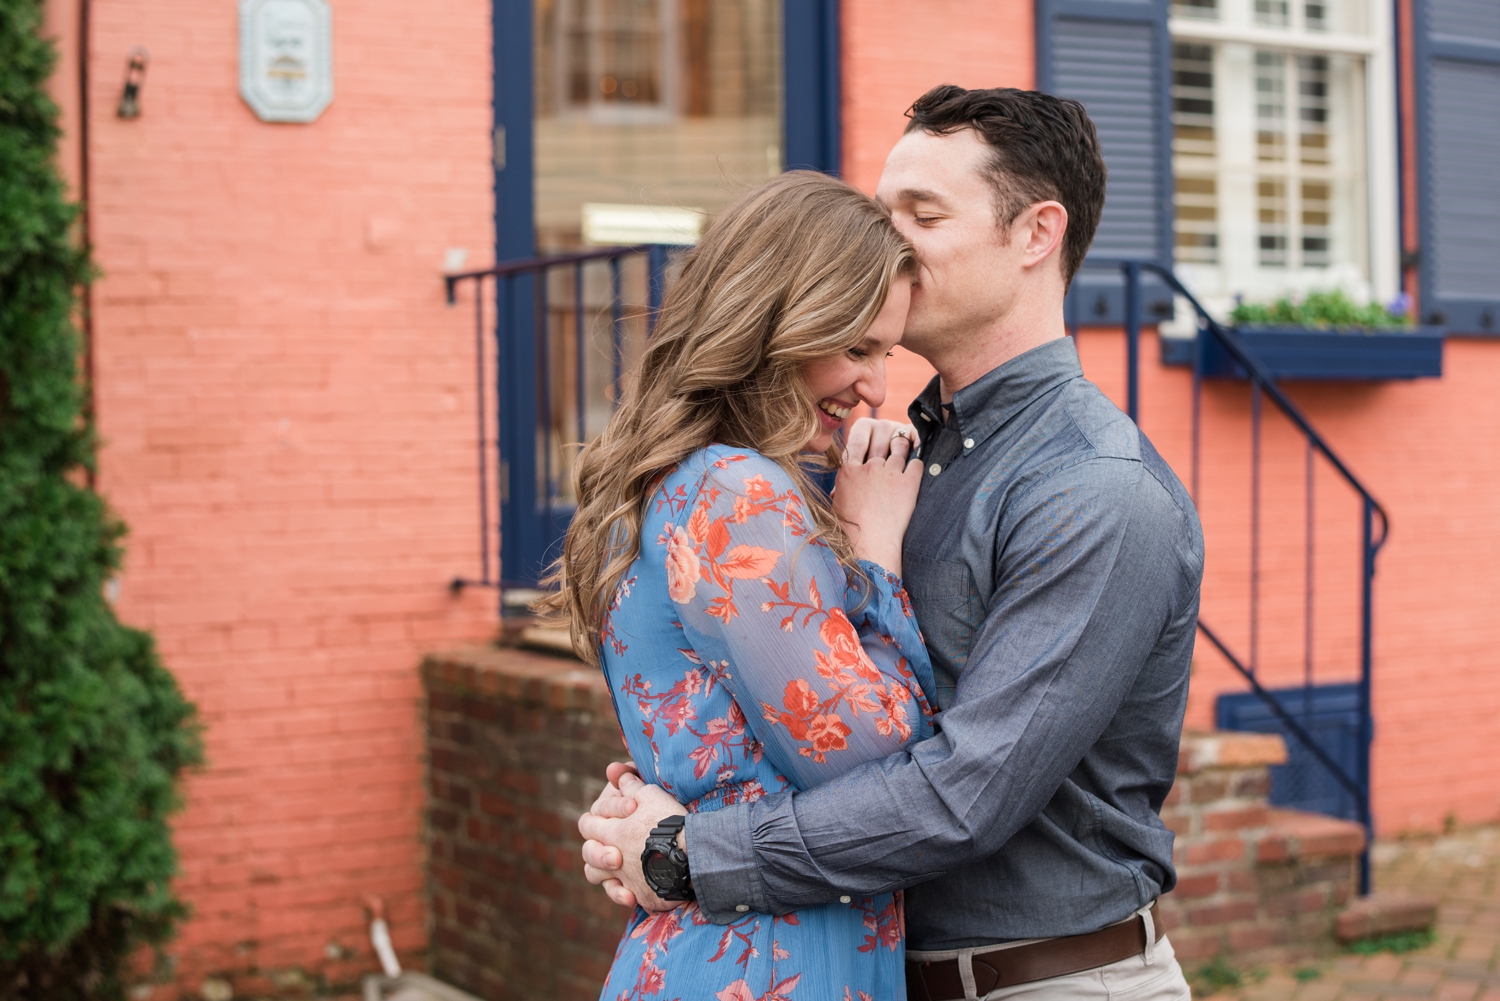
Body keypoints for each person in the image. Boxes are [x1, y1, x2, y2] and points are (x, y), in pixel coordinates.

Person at [578, 85, 1206, 1001]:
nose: (891, 238)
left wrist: (686, 851)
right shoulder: (871, 457)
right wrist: (671, 780)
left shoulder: (1098, 488)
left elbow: (964, 793)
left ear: (1036, 234)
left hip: (1046, 982)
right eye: (884, 210)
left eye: (924, 212)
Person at [542, 169, 945, 1000]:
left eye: (889, 352)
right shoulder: (737, 490)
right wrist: (872, 548)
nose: (876, 386)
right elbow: (873, 766)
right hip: (765, 963)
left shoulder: (664, 483)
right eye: (857, 346)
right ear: (776, 323)